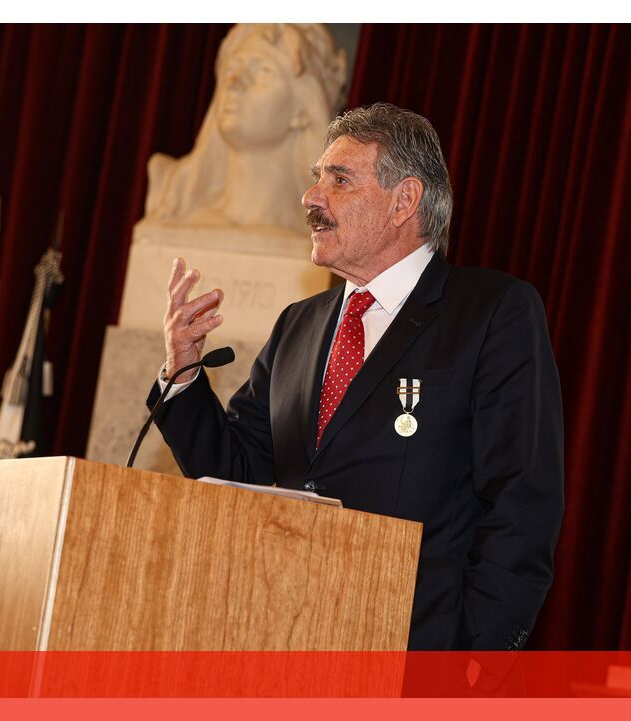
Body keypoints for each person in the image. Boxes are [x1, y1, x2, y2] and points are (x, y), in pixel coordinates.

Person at [147, 102, 564, 650]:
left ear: (404, 201)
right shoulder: (299, 325)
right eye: (317, 177)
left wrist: (477, 659)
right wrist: (181, 371)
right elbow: (237, 472)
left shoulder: (490, 312)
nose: (311, 197)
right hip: (282, 636)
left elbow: (520, 501)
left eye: (339, 179)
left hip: (416, 648)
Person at [144, 23, 347, 235]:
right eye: (231, 70)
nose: (233, 83)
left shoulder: (321, 239)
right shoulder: (173, 213)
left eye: (263, 71)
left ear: (304, 108)